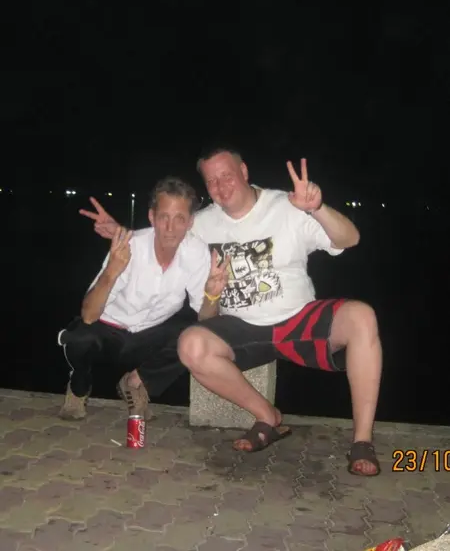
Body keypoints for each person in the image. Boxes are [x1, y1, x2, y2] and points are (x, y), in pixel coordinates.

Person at [79, 148, 382, 477]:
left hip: (297, 319)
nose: (221, 187)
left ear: (244, 172)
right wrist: (121, 233)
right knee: (191, 343)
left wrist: (317, 208)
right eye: (212, 181)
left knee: (362, 317)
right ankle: (267, 417)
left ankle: (362, 441)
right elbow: (166, 231)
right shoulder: (202, 223)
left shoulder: (287, 207)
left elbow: (350, 239)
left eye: (227, 176)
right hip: (240, 328)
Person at [59, 176, 229, 421]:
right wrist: (112, 270)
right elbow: (88, 314)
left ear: (190, 222)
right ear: (152, 217)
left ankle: (135, 382)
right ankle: (79, 386)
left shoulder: (195, 252)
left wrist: (212, 295)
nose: (170, 228)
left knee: (197, 336)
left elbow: (206, 318)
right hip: (108, 329)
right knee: (79, 338)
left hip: (150, 334)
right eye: (164, 217)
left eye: (179, 218)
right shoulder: (130, 246)